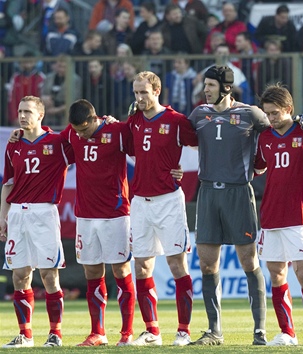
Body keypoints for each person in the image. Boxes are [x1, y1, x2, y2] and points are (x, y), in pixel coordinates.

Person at [186, 65, 270, 346]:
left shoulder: (250, 114)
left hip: (238, 193)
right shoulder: (198, 114)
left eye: (210, 85)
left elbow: (277, 133)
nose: (205, 90)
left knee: (249, 261)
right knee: (207, 264)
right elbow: (172, 137)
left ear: (225, 87)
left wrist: (302, 123)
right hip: (208, 193)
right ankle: (214, 331)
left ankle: (259, 331)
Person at [126, 71, 198, 346]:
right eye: (136, 93)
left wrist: (180, 171)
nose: (139, 98)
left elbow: (203, 144)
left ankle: (183, 330)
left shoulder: (176, 121)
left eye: (144, 92)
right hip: (140, 201)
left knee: (176, 263)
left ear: (157, 91)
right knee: (142, 266)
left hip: (168, 200)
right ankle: (152, 331)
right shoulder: (133, 120)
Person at [254, 84, 303, 347]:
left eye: (275, 113)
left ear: (289, 110)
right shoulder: (265, 138)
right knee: (276, 273)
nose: (271, 118)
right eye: (267, 113)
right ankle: (287, 332)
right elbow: (258, 168)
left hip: (300, 214)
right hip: (271, 213)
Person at [1, 96, 73, 348]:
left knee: (49, 275)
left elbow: (86, 147)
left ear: (40, 115)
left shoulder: (57, 142)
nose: (22, 116)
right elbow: (7, 184)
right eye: (20, 111)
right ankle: (25, 335)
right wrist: (3, 216)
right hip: (17, 214)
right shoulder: (14, 145)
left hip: (44, 212)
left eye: (28, 111)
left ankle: (55, 334)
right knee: (19, 275)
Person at [63, 99, 136, 346]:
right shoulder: (73, 134)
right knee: (92, 271)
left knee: (121, 270)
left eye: (84, 129)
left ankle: (127, 333)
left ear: (95, 119)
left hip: (115, 214)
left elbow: (147, 150)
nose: (80, 135)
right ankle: (98, 333)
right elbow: (48, 142)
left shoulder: (117, 132)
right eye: (76, 131)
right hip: (85, 216)